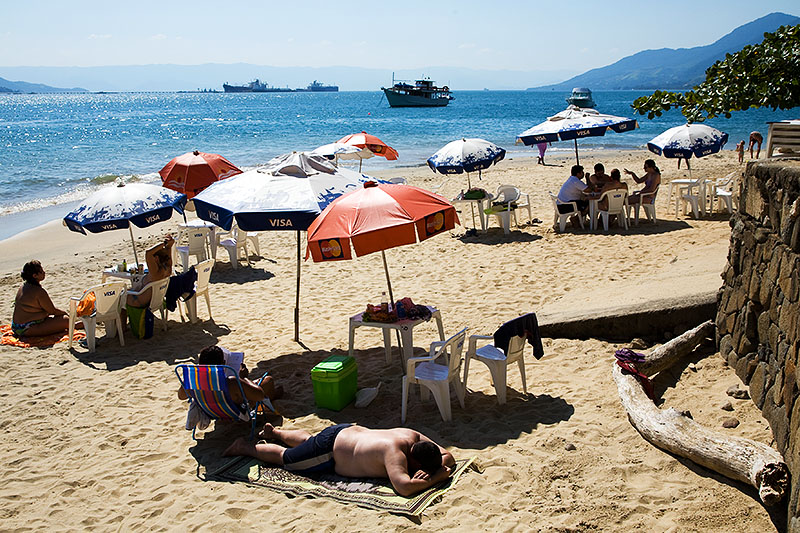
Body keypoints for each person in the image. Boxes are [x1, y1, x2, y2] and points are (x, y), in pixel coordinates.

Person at [224, 423, 456, 497]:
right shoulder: (393, 452)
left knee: (309, 441)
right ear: (415, 462)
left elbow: (448, 456)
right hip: (330, 451)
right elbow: (404, 487)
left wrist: (440, 466)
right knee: (285, 458)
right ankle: (244, 446)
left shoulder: (412, 435)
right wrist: (437, 477)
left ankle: (274, 433)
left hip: (345, 431)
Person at [177, 345, 283, 405]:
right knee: (268, 380)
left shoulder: (194, 381)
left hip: (212, 410)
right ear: (223, 364)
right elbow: (259, 395)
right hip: (235, 408)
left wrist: (186, 382)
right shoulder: (231, 382)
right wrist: (243, 378)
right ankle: (273, 395)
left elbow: (181, 396)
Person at [11, 260, 79, 337]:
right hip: (26, 328)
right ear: (35, 275)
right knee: (66, 320)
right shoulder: (38, 292)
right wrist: (65, 313)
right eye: (41, 271)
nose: (44, 272)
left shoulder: (23, 286)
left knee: (58, 319)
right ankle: (76, 325)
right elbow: (52, 310)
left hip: (16, 326)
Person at [124, 235, 175, 318]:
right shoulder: (168, 268)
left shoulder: (155, 272)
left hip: (142, 301)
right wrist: (169, 245)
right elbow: (168, 252)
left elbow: (148, 253)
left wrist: (163, 243)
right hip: (156, 300)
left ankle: (122, 327)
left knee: (119, 298)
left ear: (157, 258)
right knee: (128, 291)